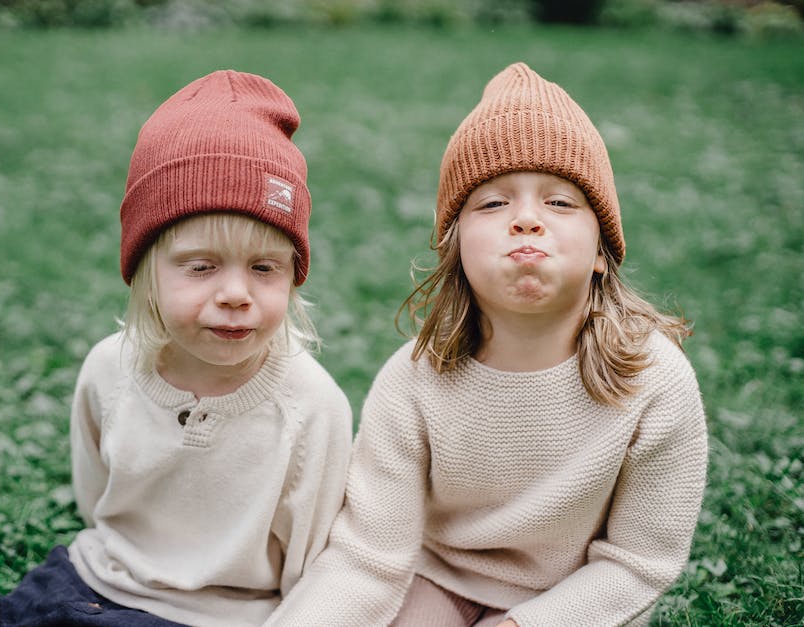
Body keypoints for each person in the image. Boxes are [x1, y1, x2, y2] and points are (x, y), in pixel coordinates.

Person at [265, 62, 708, 627]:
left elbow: (640, 563)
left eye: (561, 203)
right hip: (439, 578)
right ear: (457, 251)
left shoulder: (654, 378)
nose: (526, 219)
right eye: (493, 204)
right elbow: (369, 556)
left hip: (579, 599)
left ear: (603, 251)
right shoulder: (413, 380)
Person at [0, 70, 353, 627]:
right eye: (202, 266)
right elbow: (95, 490)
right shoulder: (110, 368)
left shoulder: (310, 405)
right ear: (146, 273)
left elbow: (314, 561)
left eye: (264, 268)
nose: (236, 294)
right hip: (93, 577)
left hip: (215, 616)